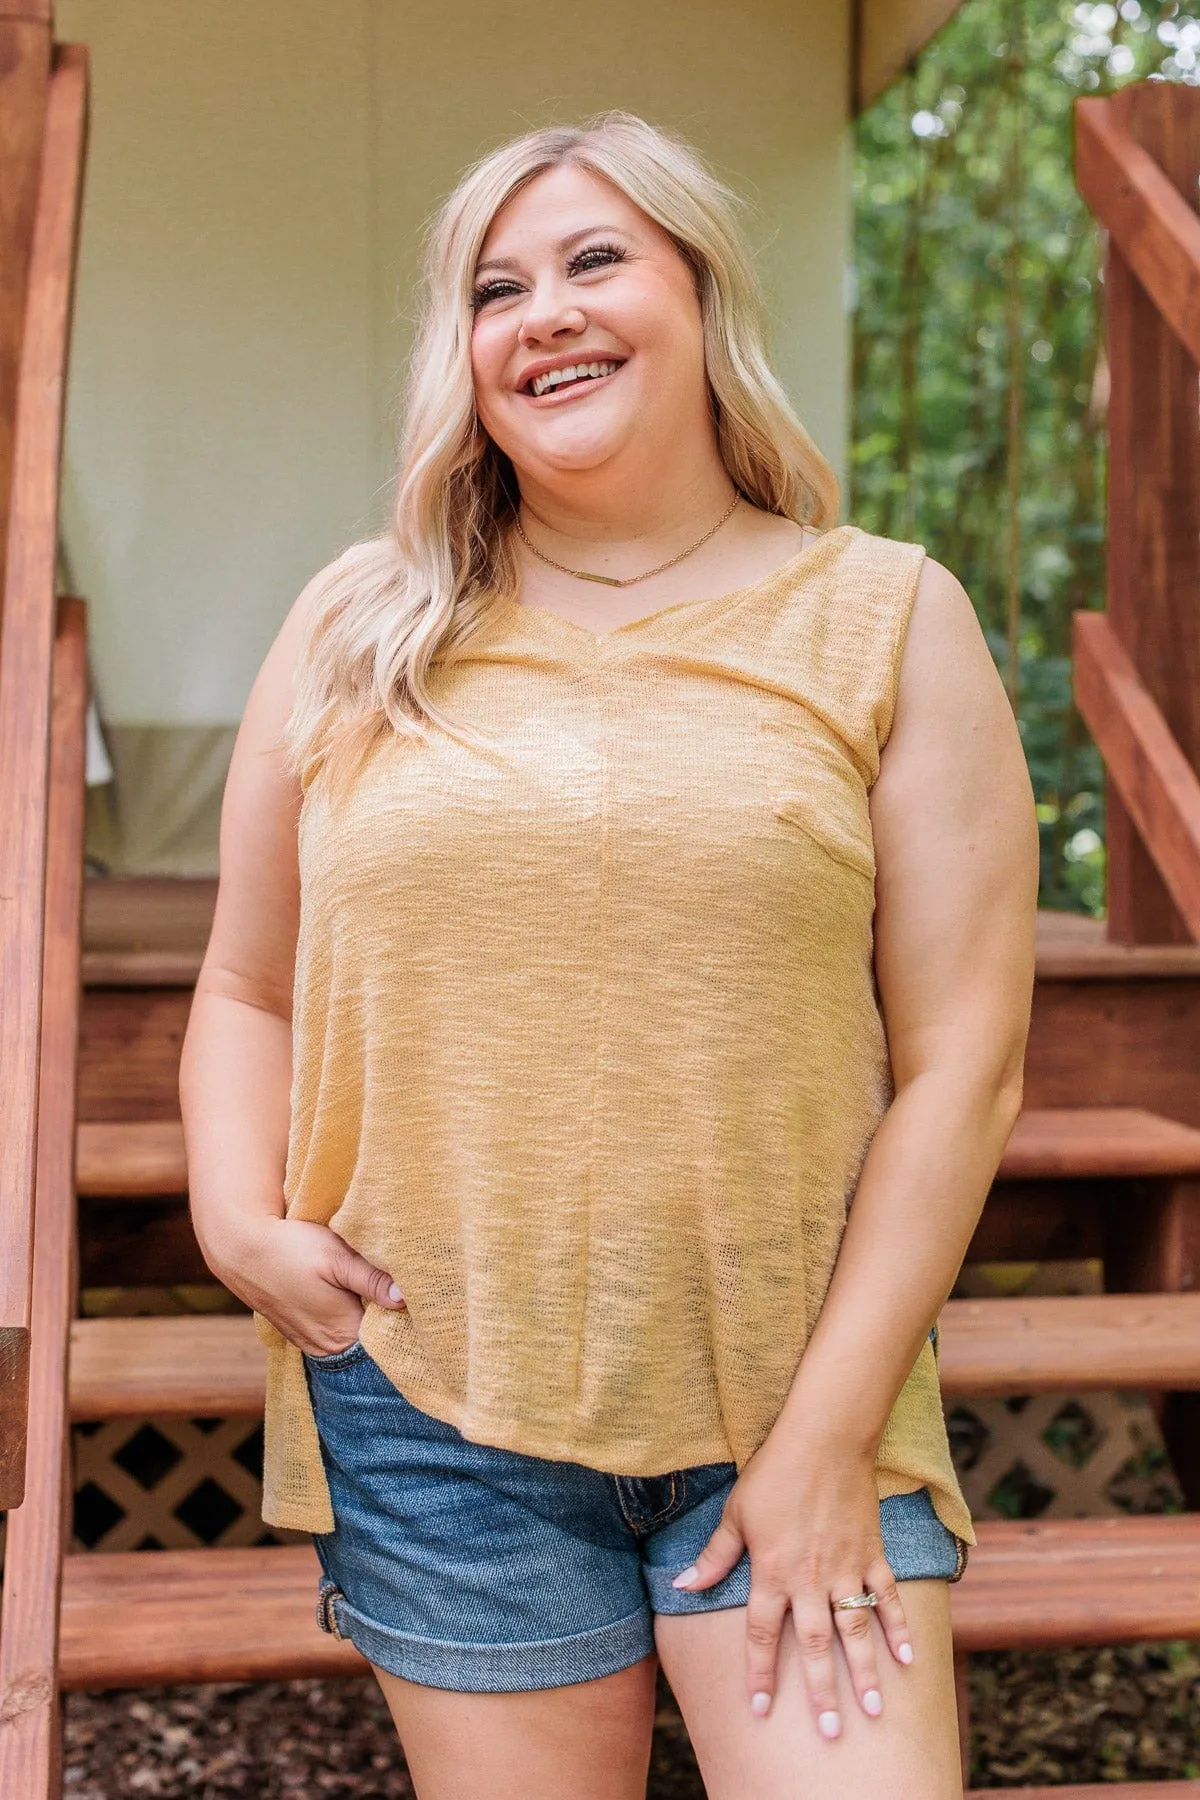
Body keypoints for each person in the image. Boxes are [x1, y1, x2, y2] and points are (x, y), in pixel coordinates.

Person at [180, 110, 1038, 1800]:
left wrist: (821, 1449)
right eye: (498, 289)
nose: (544, 312)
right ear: (466, 356)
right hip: (436, 1407)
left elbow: (967, 1067)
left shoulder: (882, 616)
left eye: (593, 261)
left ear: (702, 295)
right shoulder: (358, 624)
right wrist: (229, 1216)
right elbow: (243, 986)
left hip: (802, 1392)